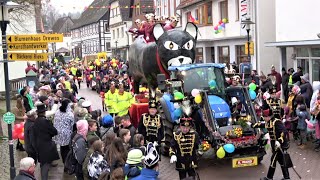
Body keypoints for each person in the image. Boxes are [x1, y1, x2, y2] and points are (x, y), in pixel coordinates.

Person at [252, 103, 290, 180]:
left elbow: (284, 131)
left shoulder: (277, 122)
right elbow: (261, 125)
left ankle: (269, 177)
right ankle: (287, 177)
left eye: (265, 117)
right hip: (274, 145)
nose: (264, 118)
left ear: (268, 116)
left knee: (273, 160)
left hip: (279, 145)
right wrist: (252, 125)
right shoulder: (268, 122)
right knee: (281, 161)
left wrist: (279, 141)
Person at [33, 103, 60, 180]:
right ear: (44, 112)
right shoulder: (46, 122)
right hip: (46, 146)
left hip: (38, 145)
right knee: (45, 165)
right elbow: (55, 132)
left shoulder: (35, 121)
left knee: (43, 163)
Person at [53, 98, 74, 165]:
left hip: (58, 133)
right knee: (67, 149)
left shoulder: (57, 112)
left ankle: (64, 161)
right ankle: (67, 163)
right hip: (66, 134)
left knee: (62, 147)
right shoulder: (70, 114)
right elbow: (72, 125)